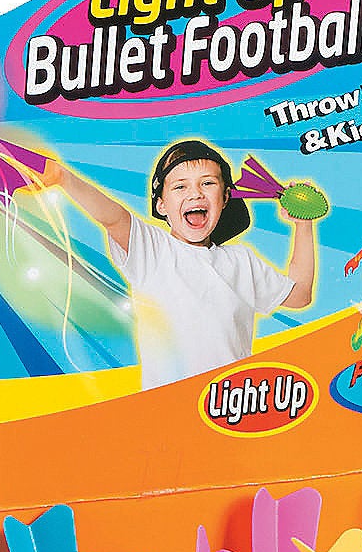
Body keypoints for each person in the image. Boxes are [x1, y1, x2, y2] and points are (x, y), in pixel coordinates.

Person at [34, 139, 316, 389]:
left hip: (230, 405)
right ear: (162, 205)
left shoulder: (241, 261)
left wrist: (303, 226)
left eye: (208, 183)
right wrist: (64, 178)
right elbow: (114, 217)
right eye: (180, 186)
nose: (195, 194)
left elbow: (300, 294)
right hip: (169, 407)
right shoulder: (152, 250)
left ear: (225, 198)